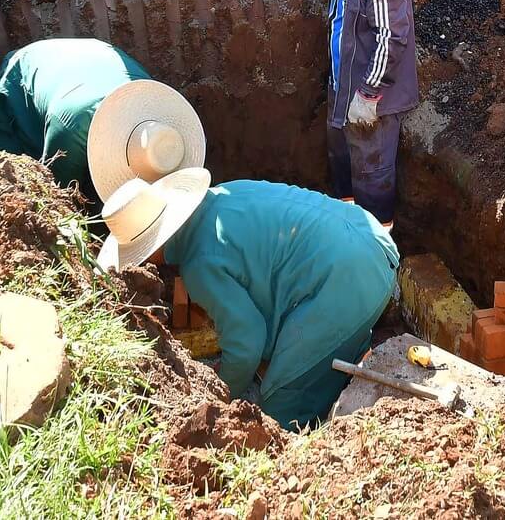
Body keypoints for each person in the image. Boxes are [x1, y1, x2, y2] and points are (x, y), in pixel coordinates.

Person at [98, 171, 399, 429]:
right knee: (304, 358)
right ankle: (339, 366)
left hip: (350, 280)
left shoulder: (200, 264)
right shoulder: (225, 195)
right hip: (370, 239)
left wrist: (222, 390)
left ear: (153, 246)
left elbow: (246, 344)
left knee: (278, 405)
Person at [0, 39, 205, 200]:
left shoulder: (160, 114)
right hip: (23, 77)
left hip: (92, 61)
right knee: (13, 181)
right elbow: (56, 195)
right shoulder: (71, 129)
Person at [319, 0, 418, 227]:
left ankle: (379, 257)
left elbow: (392, 35)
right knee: (343, 162)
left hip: (369, 93)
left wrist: (368, 93)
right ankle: (347, 234)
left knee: (372, 176)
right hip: (344, 81)